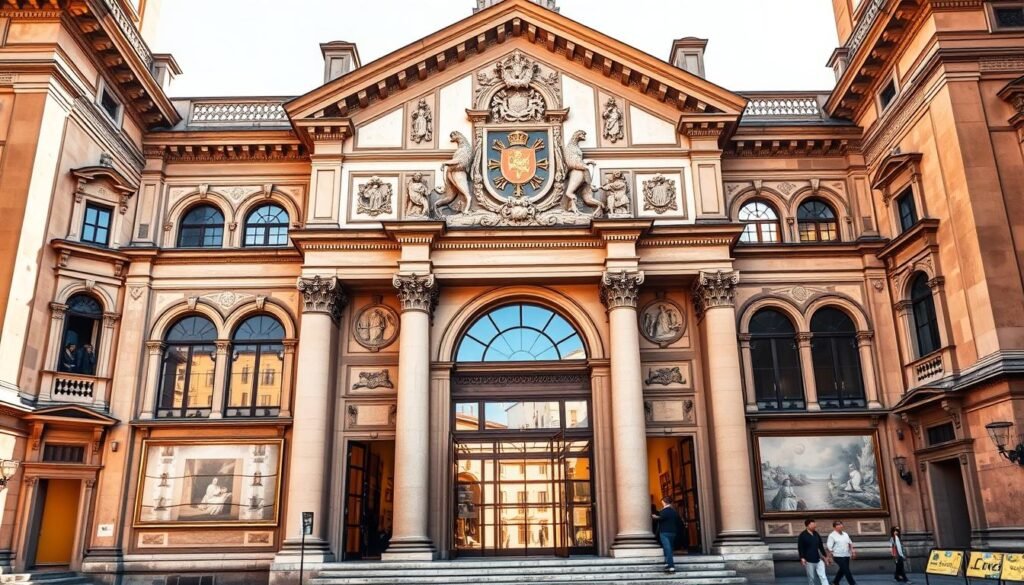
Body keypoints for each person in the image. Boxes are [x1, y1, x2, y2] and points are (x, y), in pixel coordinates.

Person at [651, 496, 680, 573]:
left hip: (664, 532)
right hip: (673, 532)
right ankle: (667, 563)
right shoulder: (674, 511)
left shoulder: (664, 511)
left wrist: (654, 517)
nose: (662, 503)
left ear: (664, 502)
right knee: (669, 548)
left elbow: (661, 518)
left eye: (662, 502)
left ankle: (671, 566)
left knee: (667, 549)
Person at [798, 518, 830, 585]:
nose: (814, 526)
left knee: (823, 576)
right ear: (807, 526)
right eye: (812, 524)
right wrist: (802, 558)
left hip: (818, 559)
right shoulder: (802, 535)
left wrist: (825, 556)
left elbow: (820, 546)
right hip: (808, 561)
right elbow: (800, 548)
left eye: (815, 524)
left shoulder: (816, 534)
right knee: (812, 578)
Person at [827, 520, 856, 585]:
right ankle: (853, 583)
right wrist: (830, 558)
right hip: (838, 556)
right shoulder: (832, 535)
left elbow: (850, 543)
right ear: (834, 527)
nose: (840, 526)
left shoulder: (845, 534)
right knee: (846, 571)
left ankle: (835, 582)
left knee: (843, 570)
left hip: (846, 555)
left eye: (841, 524)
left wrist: (853, 551)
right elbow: (829, 547)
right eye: (838, 525)